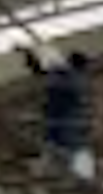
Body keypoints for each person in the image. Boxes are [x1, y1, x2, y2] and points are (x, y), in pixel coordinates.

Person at [38, 51, 93, 183]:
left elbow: (42, 73)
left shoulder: (69, 76)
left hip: (62, 116)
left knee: (59, 143)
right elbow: (42, 72)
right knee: (62, 144)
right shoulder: (71, 76)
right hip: (62, 117)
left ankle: (78, 173)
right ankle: (51, 168)